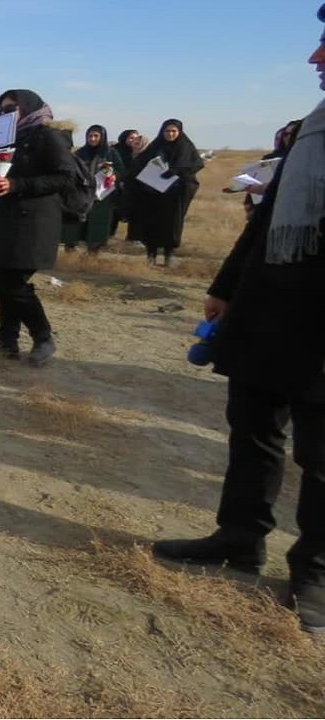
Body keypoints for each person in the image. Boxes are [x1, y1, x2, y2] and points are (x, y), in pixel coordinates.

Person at [152, 4, 325, 634]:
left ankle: (315, 573)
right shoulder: (313, 126)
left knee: (321, 454)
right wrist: (226, 287)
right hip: (270, 305)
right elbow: (270, 215)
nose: (315, 57)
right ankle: (239, 538)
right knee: (252, 430)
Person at [0, 89, 67, 366]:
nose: (5, 114)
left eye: (11, 109)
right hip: (5, 220)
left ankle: (43, 337)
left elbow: (64, 177)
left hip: (33, 223)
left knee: (13, 282)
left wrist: (18, 185)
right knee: (1, 280)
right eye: (1, 110)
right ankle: (7, 341)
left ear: (29, 107)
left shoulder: (48, 136)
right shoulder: (7, 138)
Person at [132, 119, 203, 267]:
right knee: (152, 222)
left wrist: (175, 171)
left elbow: (196, 164)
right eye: (167, 131)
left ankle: (169, 255)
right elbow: (140, 164)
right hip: (153, 193)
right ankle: (151, 255)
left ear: (179, 132)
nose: (170, 134)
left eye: (173, 131)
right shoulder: (156, 146)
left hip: (175, 194)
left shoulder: (185, 146)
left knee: (172, 224)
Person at [62, 124, 125, 253]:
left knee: (98, 224)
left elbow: (121, 170)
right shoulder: (80, 153)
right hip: (82, 193)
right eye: (90, 136)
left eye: (96, 136)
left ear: (102, 137)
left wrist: (114, 175)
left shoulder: (111, 153)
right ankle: (71, 249)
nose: (92, 139)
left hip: (102, 196)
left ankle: (93, 251)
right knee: (76, 224)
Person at [110, 129, 143, 241]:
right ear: (124, 138)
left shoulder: (139, 151)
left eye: (136, 138)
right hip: (115, 185)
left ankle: (132, 237)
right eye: (131, 138)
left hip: (133, 187)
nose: (133, 140)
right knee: (114, 211)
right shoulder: (115, 150)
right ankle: (110, 234)